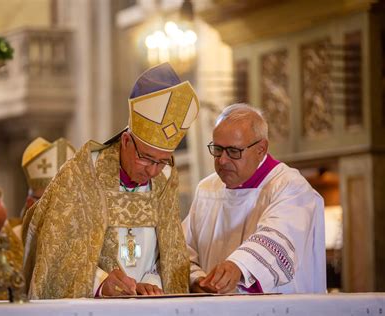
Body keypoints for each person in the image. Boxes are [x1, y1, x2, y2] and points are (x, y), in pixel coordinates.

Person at [23, 62, 199, 299]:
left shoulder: (166, 178)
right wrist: (101, 283)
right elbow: (57, 252)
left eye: (163, 161)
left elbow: (170, 251)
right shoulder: (83, 172)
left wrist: (151, 280)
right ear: (126, 141)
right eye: (146, 158)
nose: (154, 171)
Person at [183, 103, 326, 294]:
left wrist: (238, 266)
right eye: (217, 149)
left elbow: (279, 240)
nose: (222, 160)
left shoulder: (290, 187)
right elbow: (183, 250)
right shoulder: (206, 189)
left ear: (261, 149)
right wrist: (197, 279)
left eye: (233, 151)